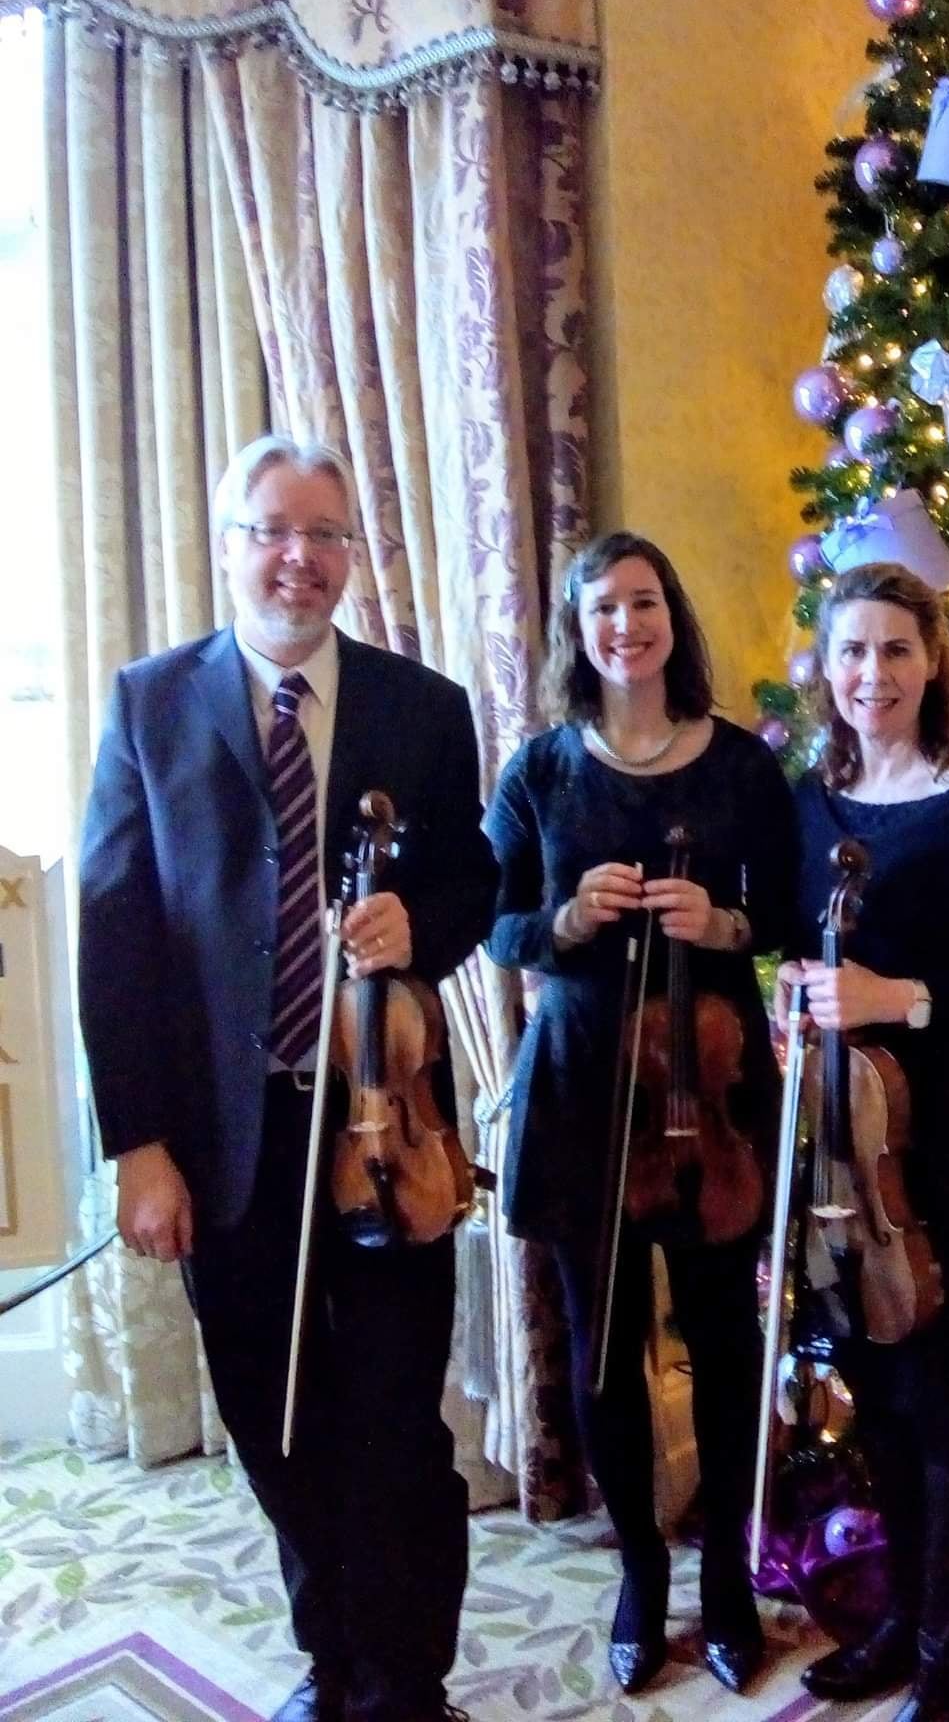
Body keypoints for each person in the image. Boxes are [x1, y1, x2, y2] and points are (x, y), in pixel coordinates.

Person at [78, 435, 497, 1722]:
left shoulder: (421, 705)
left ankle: (410, 1681)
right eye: (273, 530)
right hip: (228, 1130)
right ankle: (340, 1659)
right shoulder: (150, 701)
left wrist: (414, 923)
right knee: (278, 1423)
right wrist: (138, 1142)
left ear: (349, 556)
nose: (298, 559)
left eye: (323, 534)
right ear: (231, 543)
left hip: (382, 1117)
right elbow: (116, 930)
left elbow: (472, 878)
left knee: (395, 1425)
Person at [483, 531, 797, 1699]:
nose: (628, 623)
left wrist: (720, 925)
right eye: (604, 606)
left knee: (724, 1343)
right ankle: (637, 1574)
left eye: (646, 600)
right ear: (578, 628)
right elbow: (496, 921)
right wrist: (564, 919)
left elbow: (782, 913)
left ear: (675, 616)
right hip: (579, 1092)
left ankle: (724, 1582)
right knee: (603, 1350)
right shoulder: (541, 771)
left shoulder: (744, 768)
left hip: (707, 1097)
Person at [778, 561, 949, 1722]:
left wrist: (904, 998)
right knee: (875, 1397)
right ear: (824, 667)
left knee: (944, 1406)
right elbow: (793, 952)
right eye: (850, 652)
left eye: (894, 649)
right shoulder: (812, 798)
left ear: (933, 658)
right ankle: (901, 1618)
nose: (870, 673)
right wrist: (796, 994)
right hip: (847, 1146)